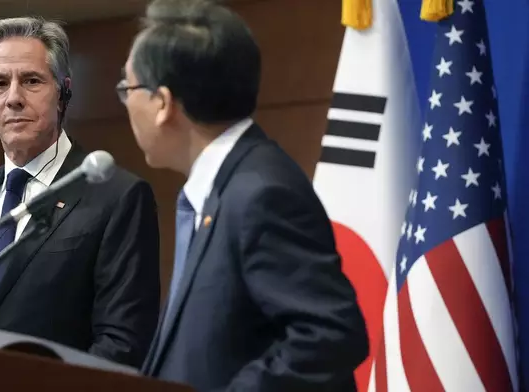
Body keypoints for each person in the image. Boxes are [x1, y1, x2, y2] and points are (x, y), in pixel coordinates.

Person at [118, 0, 369, 390]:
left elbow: (329, 336)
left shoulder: (260, 193)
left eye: (128, 88)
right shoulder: (225, 188)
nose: (126, 102)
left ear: (163, 104)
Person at [0, 16, 161, 369]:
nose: (14, 98)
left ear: (64, 92)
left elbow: (121, 344)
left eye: (31, 81)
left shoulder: (118, 197)